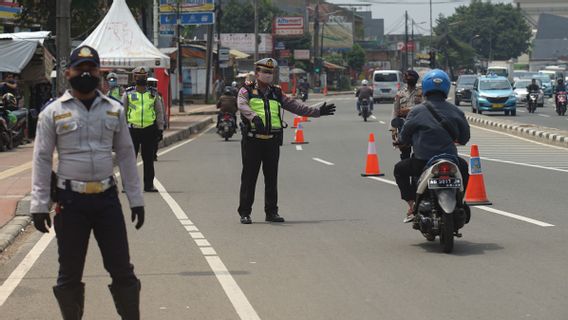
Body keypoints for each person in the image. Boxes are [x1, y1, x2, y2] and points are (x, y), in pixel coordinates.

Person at [30, 45, 145, 319]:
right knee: (69, 274)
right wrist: (39, 204)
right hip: (71, 203)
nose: (85, 73)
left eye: (91, 68)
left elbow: (127, 155)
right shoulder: (52, 113)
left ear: (99, 73)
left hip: (107, 200)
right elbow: (42, 158)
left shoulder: (114, 110)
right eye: (79, 68)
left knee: (122, 270)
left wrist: (136, 199)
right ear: (68, 72)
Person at [237, 58, 336, 224]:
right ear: (257, 72)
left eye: (270, 72)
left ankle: (271, 212)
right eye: (264, 72)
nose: (267, 75)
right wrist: (254, 118)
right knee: (249, 177)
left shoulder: (276, 92)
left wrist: (317, 112)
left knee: (271, 178)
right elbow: (241, 105)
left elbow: (296, 107)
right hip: (252, 140)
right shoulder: (246, 89)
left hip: (272, 141)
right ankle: (245, 212)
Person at [393, 69, 470, 223]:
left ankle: (412, 204)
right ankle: (459, 201)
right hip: (451, 160)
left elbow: (404, 136)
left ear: (426, 88)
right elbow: (464, 137)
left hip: (422, 161)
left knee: (399, 169)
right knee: (464, 168)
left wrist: (400, 140)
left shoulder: (416, 112)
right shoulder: (456, 111)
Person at [122, 67, 165, 192]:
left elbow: (159, 111)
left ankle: (148, 185)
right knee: (130, 161)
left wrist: (160, 128)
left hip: (149, 130)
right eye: (139, 76)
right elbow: (122, 113)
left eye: (144, 76)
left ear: (146, 78)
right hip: (132, 130)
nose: (141, 78)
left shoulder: (153, 94)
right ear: (134, 77)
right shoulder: (128, 93)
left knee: (148, 160)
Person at [390, 69, 423, 160]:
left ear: (415, 79)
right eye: (407, 77)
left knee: (419, 152)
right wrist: (393, 129)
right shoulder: (400, 93)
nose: (409, 79)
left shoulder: (421, 93)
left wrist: (409, 110)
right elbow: (395, 110)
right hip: (403, 125)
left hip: (418, 125)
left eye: (411, 77)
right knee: (405, 153)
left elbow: (426, 106)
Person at [147, 77, 166, 161]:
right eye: (151, 84)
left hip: (155, 121)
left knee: (156, 140)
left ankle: (153, 154)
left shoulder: (158, 95)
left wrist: (162, 123)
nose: (153, 86)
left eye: (154, 84)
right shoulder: (144, 95)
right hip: (147, 121)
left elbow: (161, 110)